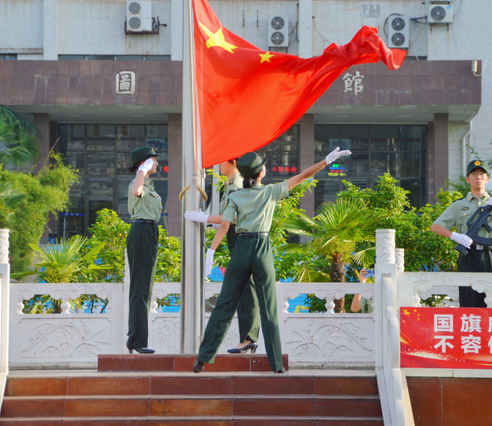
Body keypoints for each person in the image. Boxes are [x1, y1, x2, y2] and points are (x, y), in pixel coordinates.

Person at [193, 147, 351, 373]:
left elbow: (225, 225)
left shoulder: (235, 196)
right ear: (260, 173)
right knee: (268, 307)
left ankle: (202, 359)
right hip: (262, 247)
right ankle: (276, 365)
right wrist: (326, 161)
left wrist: (211, 251)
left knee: (225, 305)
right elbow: (303, 175)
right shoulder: (270, 192)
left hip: (241, 249)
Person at [430, 159, 492, 308]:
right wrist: (455, 236)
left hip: (489, 255)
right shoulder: (459, 205)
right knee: (468, 300)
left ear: (487, 179)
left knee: (491, 301)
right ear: (468, 179)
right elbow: (436, 226)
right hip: (468, 255)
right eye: (474, 174)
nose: (478, 177)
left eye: (482, 174)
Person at [185, 158, 261, 354]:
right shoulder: (229, 184)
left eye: (222, 162)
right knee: (243, 288)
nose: (219, 166)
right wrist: (210, 220)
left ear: (233, 162)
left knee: (246, 288)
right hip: (235, 237)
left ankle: (249, 338)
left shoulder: (236, 185)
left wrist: (206, 220)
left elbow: (231, 218)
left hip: (240, 237)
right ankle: (247, 338)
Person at [125, 145, 161, 354]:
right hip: (141, 231)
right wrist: (142, 170)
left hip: (149, 231)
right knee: (140, 287)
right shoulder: (138, 182)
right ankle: (136, 340)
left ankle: (136, 339)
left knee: (145, 287)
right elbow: (136, 192)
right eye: (152, 160)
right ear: (143, 163)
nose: (156, 163)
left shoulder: (149, 184)